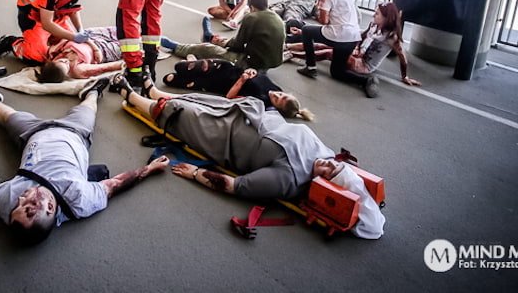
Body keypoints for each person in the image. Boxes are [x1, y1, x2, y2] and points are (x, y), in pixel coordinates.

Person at [109, 74, 384, 239]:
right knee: (202, 99)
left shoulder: (288, 180)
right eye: (334, 165)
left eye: (329, 172)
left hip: (223, 137)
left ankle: (130, 94)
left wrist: (194, 172)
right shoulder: (324, 154)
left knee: (179, 112)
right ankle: (155, 91)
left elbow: (235, 185)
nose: (327, 163)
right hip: (250, 113)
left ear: (326, 186)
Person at [0, 77, 169, 246]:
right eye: (30, 207)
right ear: (51, 209)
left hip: (30, 135)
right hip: (74, 134)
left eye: (19, 206)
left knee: (4, 115)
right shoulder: (81, 200)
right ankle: (92, 93)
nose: (22, 199)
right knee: (88, 111)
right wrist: (149, 169)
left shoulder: (8, 203)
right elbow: (115, 184)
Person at [289, 1, 421, 95]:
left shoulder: (392, 38)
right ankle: (288, 48)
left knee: (329, 52)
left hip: (365, 64)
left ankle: (292, 54)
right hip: (359, 54)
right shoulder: (374, 25)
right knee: (327, 44)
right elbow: (361, 36)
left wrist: (405, 76)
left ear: (386, 18)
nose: (374, 15)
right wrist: (356, 48)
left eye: (377, 14)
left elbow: (403, 57)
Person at [161, 0, 285, 72]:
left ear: (252, 7)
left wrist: (224, 43)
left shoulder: (252, 18)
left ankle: (176, 46)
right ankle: (210, 38)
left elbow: (238, 44)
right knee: (220, 44)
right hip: (269, 62)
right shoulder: (277, 18)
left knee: (208, 49)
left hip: (251, 63)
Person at [297, 0, 369, 93]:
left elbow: (324, 20)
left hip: (338, 35)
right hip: (353, 37)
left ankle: (310, 67)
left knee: (307, 30)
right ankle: (364, 81)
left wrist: (318, 10)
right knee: (337, 71)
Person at [163, 60, 313, 120]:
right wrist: (252, 70)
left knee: (169, 79)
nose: (276, 94)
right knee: (180, 66)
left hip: (217, 82)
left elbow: (229, 98)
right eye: (281, 94)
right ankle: (194, 62)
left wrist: (242, 80)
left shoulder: (261, 101)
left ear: (275, 106)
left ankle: (193, 70)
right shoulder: (276, 88)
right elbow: (258, 74)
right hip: (227, 67)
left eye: (277, 99)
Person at [36, 26, 125, 82]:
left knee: (125, 28)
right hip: (105, 50)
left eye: (62, 61)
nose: (66, 62)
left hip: (90, 36)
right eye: (67, 67)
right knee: (131, 41)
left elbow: (67, 37)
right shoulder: (78, 70)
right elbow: (109, 67)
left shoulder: (54, 55)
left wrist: (58, 46)